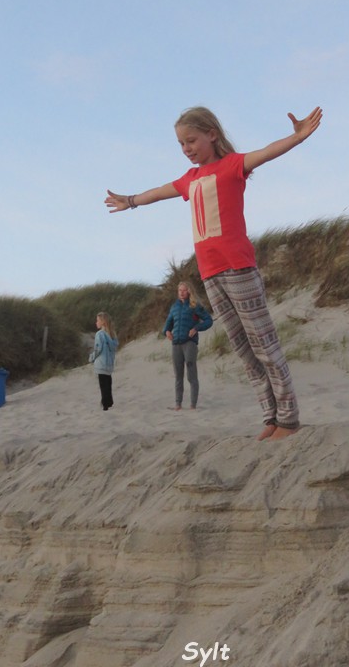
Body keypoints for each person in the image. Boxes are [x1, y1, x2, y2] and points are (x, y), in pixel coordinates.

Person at [105, 105, 322, 440]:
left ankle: (289, 420)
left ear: (212, 135)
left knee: (264, 346)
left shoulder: (232, 165)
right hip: (210, 274)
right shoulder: (189, 179)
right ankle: (271, 417)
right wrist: (130, 200)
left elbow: (266, 152)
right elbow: (158, 193)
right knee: (244, 351)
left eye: (191, 140)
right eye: (181, 143)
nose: (186, 148)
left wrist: (298, 137)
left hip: (238, 268)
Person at [163, 280, 213, 411]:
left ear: (189, 291)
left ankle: (193, 405)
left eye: (184, 290)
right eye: (180, 290)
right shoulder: (174, 307)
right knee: (178, 376)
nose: (182, 293)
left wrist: (196, 328)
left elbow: (209, 321)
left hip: (189, 343)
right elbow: (168, 324)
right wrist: (167, 331)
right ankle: (178, 404)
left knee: (191, 375)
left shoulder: (195, 306)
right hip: (176, 344)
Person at [89, 311, 119, 410]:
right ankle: (109, 402)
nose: (96, 322)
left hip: (101, 364)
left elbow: (98, 349)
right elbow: (115, 347)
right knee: (108, 383)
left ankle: (105, 405)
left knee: (103, 385)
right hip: (109, 364)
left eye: (97, 320)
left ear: (103, 322)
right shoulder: (112, 334)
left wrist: (92, 357)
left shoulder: (100, 334)